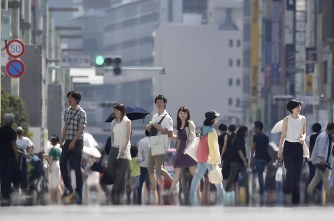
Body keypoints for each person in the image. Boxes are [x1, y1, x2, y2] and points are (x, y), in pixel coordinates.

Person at [189, 110, 225, 206]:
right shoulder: (212, 131)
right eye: (216, 118)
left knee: (197, 177)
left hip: (201, 156)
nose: (217, 119)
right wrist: (215, 160)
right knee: (217, 179)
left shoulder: (203, 128)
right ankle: (222, 199)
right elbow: (213, 147)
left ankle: (191, 197)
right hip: (209, 158)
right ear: (213, 120)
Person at [59, 91, 87, 204]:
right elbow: (65, 127)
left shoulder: (82, 112)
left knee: (76, 166)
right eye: (68, 97)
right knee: (62, 162)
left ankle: (79, 191)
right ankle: (69, 187)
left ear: (76, 100)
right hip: (68, 141)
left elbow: (81, 129)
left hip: (78, 141)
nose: (68, 99)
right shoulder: (67, 111)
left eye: (70, 98)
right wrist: (62, 141)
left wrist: (73, 142)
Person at [145, 95, 173, 204]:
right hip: (154, 141)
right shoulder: (154, 116)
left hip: (162, 142)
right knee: (150, 167)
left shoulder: (167, 117)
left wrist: (160, 128)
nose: (159, 103)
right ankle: (154, 191)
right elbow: (152, 127)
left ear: (164, 103)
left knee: (158, 167)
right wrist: (149, 127)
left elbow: (170, 133)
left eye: (161, 101)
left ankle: (174, 183)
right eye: (157, 102)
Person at [277, 99, 306, 205]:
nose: (299, 108)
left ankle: (296, 198)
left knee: (298, 174)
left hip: (298, 147)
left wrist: (303, 138)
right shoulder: (286, 119)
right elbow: (283, 135)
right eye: (297, 106)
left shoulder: (303, 119)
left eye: (300, 106)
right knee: (291, 170)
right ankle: (287, 189)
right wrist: (280, 149)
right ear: (292, 109)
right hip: (288, 147)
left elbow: (305, 132)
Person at [168, 107, 197, 201]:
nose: (182, 115)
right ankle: (170, 192)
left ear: (187, 114)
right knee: (177, 173)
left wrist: (188, 149)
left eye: (184, 113)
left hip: (188, 151)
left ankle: (197, 193)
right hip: (180, 151)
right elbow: (177, 138)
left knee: (194, 174)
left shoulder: (190, 123)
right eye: (181, 113)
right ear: (178, 115)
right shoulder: (179, 125)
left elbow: (193, 137)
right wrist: (170, 134)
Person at [105, 103, 131, 205]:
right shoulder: (113, 122)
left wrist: (124, 149)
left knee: (122, 172)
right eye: (114, 110)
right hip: (114, 147)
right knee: (109, 169)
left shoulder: (127, 121)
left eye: (117, 110)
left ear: (122, 111)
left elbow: (128, 136)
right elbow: (112, 136)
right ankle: (118, 188)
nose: (115, 112)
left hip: (124, 148)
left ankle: (115, 191)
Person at [307, 122, 334, 203]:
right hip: (321, 161)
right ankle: (329, 196)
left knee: (317, 178)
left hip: (320, 161)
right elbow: (321, 149)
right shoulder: (323, 136)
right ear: (332, 129)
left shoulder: (326, 136)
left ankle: (309, 191)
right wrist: (321, 159)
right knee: (326, 178)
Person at [225, 126, 250, 205]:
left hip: (241, 163)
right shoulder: (239, 139)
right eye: (247, 131)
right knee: (231, 178)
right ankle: (225, 192)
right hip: (235, 162)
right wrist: (244, 161)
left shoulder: (241, 139)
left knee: (246, 177)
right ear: (244, 132)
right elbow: (239, 151)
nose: (247, 133)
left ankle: (247, 196)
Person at [0, 113, 18, 206]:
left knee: (2, 174)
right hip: (10, 157)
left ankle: (3, 190)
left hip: (1, 157)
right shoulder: (12, 132)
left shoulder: (0, 130)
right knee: (8, 174)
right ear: (12, 121)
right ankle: (6, 191)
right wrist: (16, 156)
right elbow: (13, 145)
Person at [250, 121, 269, 203]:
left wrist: (251, 158)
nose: (254, 129)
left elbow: (253, 148)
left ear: (258, 128)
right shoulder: (266, 137)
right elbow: (267, 148)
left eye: (254, 127)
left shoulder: (255, 136)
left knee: (260, 174)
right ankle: (262, 189)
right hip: (264, 158)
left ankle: (262, 190)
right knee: (261, 173)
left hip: (258, 158)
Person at [15, 127, 34, 194]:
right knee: (22, 172)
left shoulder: (17, 140)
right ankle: (22, 188)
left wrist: (28, 154)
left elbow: (32, 146)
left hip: (20, 158)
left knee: (21, 172)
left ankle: (20, 187)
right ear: (22, 132)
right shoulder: (25, 139)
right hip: (21, 158)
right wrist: (28, 154)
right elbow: (32, 146)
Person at [306, 122, 322, 200]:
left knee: (311, 174)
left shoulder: (309, 137)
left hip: (311, 159)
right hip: (319, 159)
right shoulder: (322, 136)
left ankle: (310, 190)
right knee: (320, 174)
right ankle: (319, 189)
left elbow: (308, 148)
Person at [137, 130, 151, 205]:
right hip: (149, 165)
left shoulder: (141, 141)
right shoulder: (152, 141)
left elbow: (138, 150)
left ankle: (139, 198)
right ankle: (150, 198)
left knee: (140, 182)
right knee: (150, 183)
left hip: (141, 164)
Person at [48, 135, 62, 204]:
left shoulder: (52, 149)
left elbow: (51, 159)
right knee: (57, 182)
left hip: (53, 164)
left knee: (52, 182)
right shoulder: (59, 149)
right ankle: (60, 196)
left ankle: (52, 198)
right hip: (58, 164)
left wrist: (49, 167)